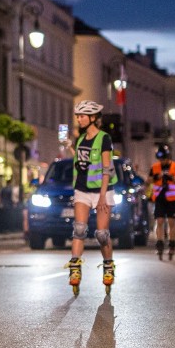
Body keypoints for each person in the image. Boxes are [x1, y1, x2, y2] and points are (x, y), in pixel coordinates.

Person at [64, 100, 117, 294]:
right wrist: (70, 146)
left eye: (82, 116)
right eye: (77, 116)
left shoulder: (104, 138)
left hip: (102, 190)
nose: (78, 119)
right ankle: (75, 269)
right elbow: (81, 160)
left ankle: (108, 265)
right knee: (79, 229)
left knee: (102, 234)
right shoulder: (80, 139)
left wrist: (102, 196)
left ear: (93, 118)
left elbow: (106, 169)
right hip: (82, 189)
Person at [146, 144, 175, 261]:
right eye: (160, 159)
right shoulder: (155, 167)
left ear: (168, 157)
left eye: (164, 159)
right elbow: (148, 180)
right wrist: (157, 177)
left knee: (172, 222)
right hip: (159, 198)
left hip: (173, 199)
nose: (162, 161)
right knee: (160, 220)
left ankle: (172, 244)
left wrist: (171, 178)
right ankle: (160, 243)